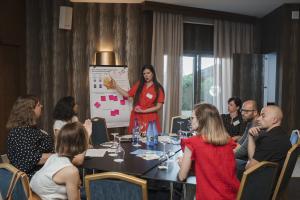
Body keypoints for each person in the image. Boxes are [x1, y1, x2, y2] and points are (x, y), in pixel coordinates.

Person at [178, 103, 239, 200]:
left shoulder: (193, 142)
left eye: (192, 118)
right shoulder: (228, 141)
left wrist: (183, 165)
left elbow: (182, 177)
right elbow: (216, 165)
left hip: (208, 196)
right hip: (232, 196)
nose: (191, 121)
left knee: (184, 191)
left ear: (201, 120)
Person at [30, 121, 91, 200]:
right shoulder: (72, 172)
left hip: (35, 195)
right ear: (82, 144)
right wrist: (77, 185)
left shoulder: (54, 157)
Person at [6, 95, 54, 178]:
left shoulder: (30, 129)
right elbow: (31, 158)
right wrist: (58, 156)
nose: (42, 106)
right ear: (30, 110)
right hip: (32, 178)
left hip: (44, 173)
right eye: (38, 105)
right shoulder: (19, 132)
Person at [111, 65, 165, 134]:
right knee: (135, 140)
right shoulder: (139, 84)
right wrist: (116, 86)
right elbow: (128, 94)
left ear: (153, 73)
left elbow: (158, 106)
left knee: (149, 140)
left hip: (150, 118)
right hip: (137, 117)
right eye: (144, 74)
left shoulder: (158, 88)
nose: (146, 75)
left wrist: (143, 111)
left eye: (148, 73)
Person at [245, 105, 291, 171]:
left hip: (262, 178)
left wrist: (249, 162)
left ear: (274, 120)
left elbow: (249, 168)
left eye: (263, 116)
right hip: (266, 173)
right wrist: (250, 136)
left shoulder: (271, 140)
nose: (258, 119)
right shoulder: (279, 133)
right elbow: (253, 158)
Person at [234, 100, 259, 179]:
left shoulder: (257, 126)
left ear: (255, 112)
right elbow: (240, 143)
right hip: (247, 158)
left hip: (253, 164)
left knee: (223, 160)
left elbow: (242, 152)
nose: (242, 113)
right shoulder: (250, 123)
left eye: (246, 111)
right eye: (242, 110)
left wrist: (225, 154)